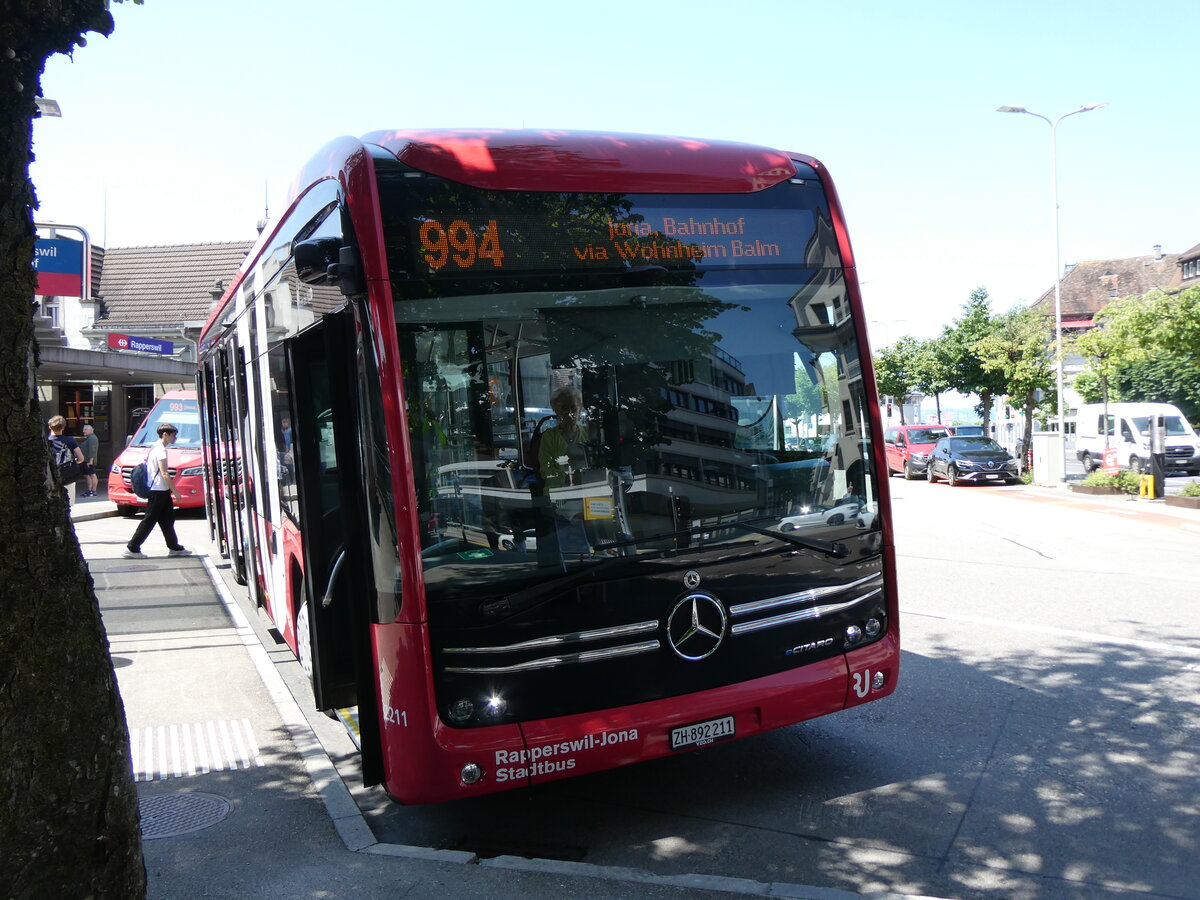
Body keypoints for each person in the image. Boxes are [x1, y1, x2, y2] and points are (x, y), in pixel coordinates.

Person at [124, 423, 191, 559]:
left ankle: (174, 547)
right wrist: (176, 492)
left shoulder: (154, 447)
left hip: (161, 490)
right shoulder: (160, 450)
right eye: (173, 435)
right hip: (158, 491)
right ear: (165, 435)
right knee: (149, 520)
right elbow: (164, 473)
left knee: (167, 520)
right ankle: (132, 547)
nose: (175, 438)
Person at [537, 386, 590, 490]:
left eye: (573, 408)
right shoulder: (549, 437)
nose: (570, 413)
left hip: (588, 487)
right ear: (555, 410)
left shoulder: (589, 433)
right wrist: (569, 476)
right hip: (558, 491)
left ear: (580, 409)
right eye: (564, 408)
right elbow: (545, 471)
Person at [47, 415, 84, 505]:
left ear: (49, 427)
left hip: (50, 475)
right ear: (63, 428)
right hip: (67, 475)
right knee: (68, 504)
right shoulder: (70, 440)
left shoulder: (46, 441)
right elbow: (81, 458)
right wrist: (74, 461)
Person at [79, 423, 99, 497]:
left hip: (89, 461)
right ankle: (89, 490)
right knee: (87, 475)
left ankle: (93, 491)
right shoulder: (89, 438)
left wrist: (90, 461)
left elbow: (92, 450)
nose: (83, 431)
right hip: (86, 460)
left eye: (85, 430)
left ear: (91, 430)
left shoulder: (92, 438)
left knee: (92, 475)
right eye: (83, 430)